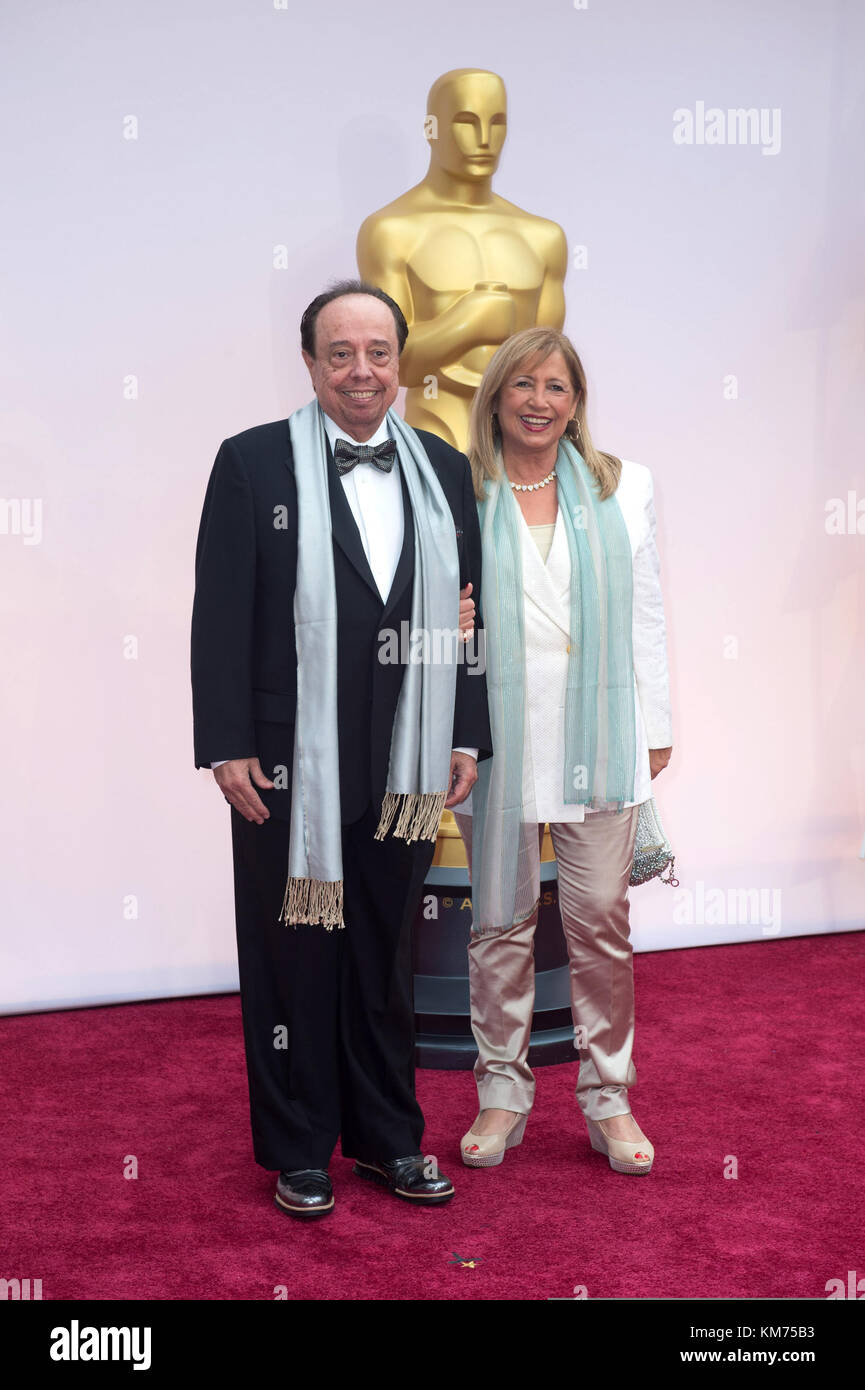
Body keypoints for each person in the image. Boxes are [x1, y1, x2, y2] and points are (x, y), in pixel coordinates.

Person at [191, 280, 492, 1218]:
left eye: (376, 352)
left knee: (384, 958)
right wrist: (227, 744)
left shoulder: (442, 471)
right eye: (340, 353)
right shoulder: (251, 465)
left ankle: (386, 1140)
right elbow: (219, 616)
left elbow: (461, 619)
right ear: (311, 363)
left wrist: (464, 732)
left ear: (399, 361)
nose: (361, 371)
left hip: (405, 763)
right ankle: (297, 1148)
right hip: (286, 766)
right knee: (293, 958)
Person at [452, 327, 673, 1175]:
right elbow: (441, 617)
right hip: (498, 742)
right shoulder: (461, 491)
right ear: (496, 397)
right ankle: (501, 1091)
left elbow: (645, 615)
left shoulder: (624, 488)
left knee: (600, 927)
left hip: (600, 736)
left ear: (575, 400)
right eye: (522, 385)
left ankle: (607, 1098)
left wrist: (656, 727)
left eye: (556, 386)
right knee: (498, 926)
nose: (538, 401)